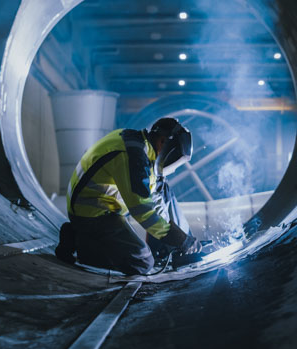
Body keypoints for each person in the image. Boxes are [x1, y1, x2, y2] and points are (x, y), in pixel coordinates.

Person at [54, 117, 202, 275]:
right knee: (142, 263)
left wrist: (182, 240)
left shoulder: (142, 148)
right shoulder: (134, 156)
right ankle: (79, 240)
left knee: (164, 189)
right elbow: (142, 209)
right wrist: (179, 239)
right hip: (91, 215)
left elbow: (157, 198)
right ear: (163, 142)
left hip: (104, 210)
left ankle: (174, 252)